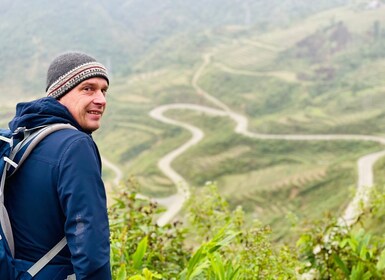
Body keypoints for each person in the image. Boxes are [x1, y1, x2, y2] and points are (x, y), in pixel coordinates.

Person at [5, 52, 112, 279]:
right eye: (88, 88)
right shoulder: (75, 146)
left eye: (103, 90)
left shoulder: (25, 136)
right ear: (60, 93)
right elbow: (89, 238)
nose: (101, 99)